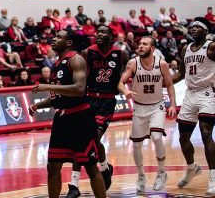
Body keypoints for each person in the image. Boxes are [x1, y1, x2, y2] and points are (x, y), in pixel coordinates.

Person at [29, 30, 106, 198]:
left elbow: (79, 89)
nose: (53, 39)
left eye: (59, 37)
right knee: (52, 166)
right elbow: (58, 96)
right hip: (62, 119)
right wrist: (38, 105)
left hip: (80, 118)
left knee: (91, 166)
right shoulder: (56, 64)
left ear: (69, 42)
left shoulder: (76, 59)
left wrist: (48, 87)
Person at [66, 25, 129, 197]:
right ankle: (98, 171)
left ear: (111, 36)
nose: (99, 34)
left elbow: (119, 80)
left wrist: (125, 91)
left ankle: (76, 183)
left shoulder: (120, 54)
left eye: (103, 32)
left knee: (90, 139)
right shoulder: (87, 53)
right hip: (89, 99)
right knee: (84, 140)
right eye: (98, 32)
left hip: (107, 102)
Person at [118, 36, 176, 195]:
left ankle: (162, 172)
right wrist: (126, 91)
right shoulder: (133, 63)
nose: (140, 46)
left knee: (157, 137)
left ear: (152, 48)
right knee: (136, 145)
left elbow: (170, 84)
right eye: (140, 44)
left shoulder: (162, 64)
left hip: (157, 106)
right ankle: (141, 176)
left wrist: (172, 104)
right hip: (139, 108)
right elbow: (120, 82)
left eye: (145, 44)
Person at [171, 17, 215, 196]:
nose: (194, 29)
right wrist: (162, 81)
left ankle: (213, 177)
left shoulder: (211, 47)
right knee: (183, 138)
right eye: (192, 27)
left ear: (206, 31)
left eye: (198, 27)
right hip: (190, 94)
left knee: (206, 133)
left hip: (208, 93)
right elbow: (181, 73)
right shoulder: (185, 49)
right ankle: (192, 168)